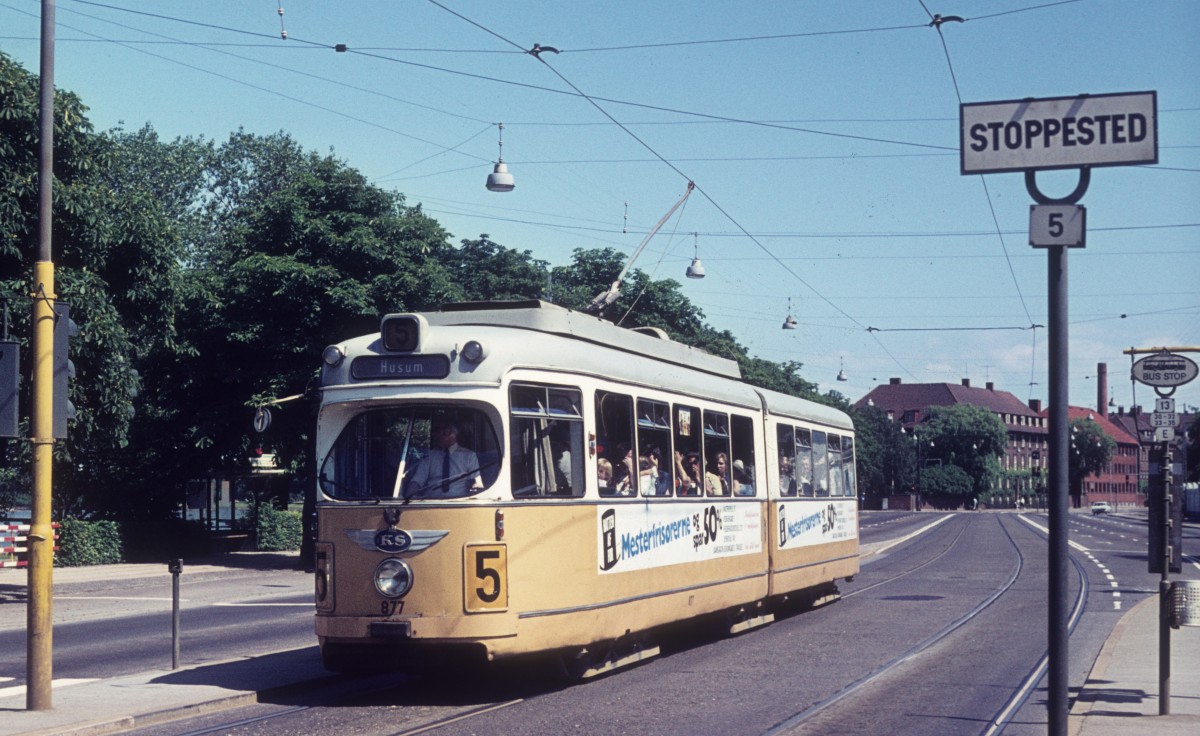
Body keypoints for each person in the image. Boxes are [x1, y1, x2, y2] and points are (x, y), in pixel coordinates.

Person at [405, 420, 482, 496]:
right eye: (437, 431)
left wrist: (475, 488)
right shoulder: (431, 456)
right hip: (430, 503)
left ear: (453, 434)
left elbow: (477, 482)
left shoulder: (469, 456)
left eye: (443, 432)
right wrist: (408, 499)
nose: (437, 435)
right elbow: (417, 480)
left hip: (458, 502)